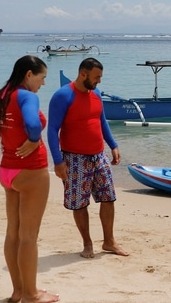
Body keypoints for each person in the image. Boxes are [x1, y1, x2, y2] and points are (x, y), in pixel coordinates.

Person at [0, 55, 59, 302]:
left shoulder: (1, 94)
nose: (43, 83)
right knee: (29, 236)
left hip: (7, 171)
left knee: (13, 233)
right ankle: (31, 294)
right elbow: (32, 124)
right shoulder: (27, 96)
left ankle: (18, 290)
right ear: (29, 74)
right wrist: (31, 138)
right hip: (30, 172)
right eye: (42, 77)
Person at [47, 57, 129, 258]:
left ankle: (109, 242)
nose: (99, 81)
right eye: (96, 77)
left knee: (108, 197)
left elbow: (101, 121)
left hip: (98, 156)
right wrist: (58, 162)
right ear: (83, 74)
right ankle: (87, 244)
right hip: (74, 159)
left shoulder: (96, 94)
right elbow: (52, 130)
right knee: (79, 203)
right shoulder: (63, 96)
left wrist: (113, 145)